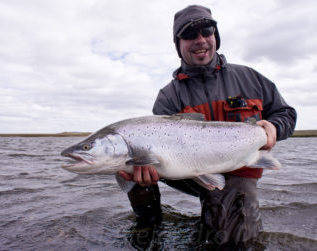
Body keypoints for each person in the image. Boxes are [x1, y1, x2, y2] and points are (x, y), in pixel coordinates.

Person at [120, 4, 297, 249]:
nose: (200, 40)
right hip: (186, 171)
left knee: (235, 242)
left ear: (216, 36)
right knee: (127, 167)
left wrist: (275, 127)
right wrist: (143, 173)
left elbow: (286, 113)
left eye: (207, 31)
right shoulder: (168, 96)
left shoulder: (250, 78)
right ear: (178, 44)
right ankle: (148, 225)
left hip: (238, 169)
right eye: (190, 35)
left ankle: (219, 216)